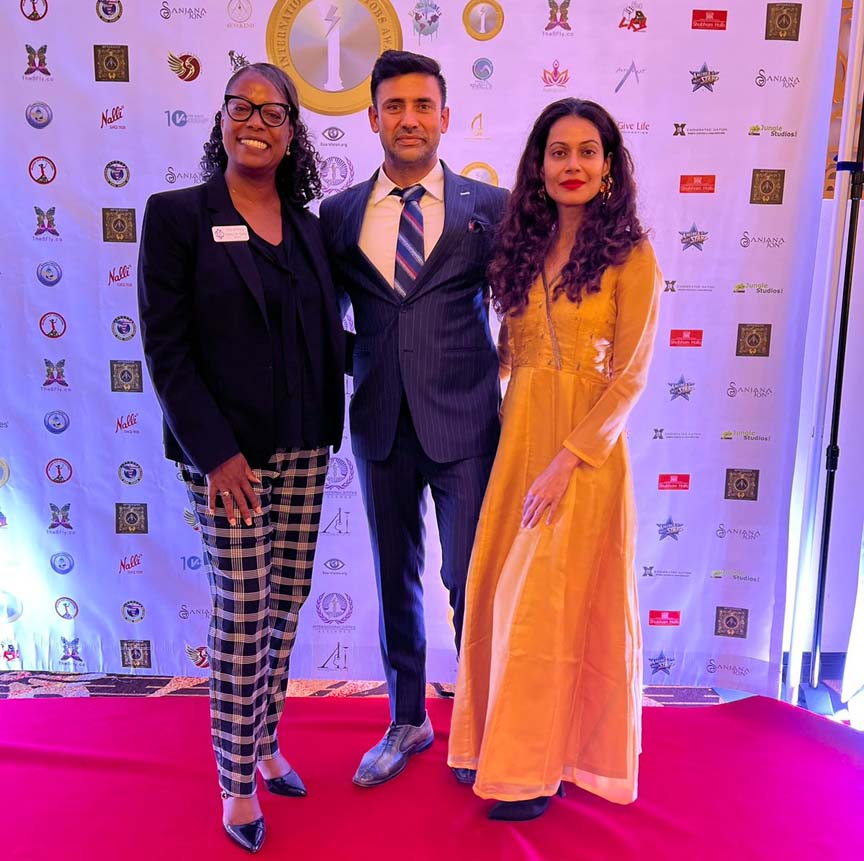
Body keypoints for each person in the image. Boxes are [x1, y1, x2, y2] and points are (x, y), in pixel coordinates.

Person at [137, 62, 345, 853]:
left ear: (293, 133)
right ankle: (235, 785)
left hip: (306, 445)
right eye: (242, 106)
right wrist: (216, 453)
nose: (256, 121)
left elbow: (321, 334)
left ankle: (265, 741)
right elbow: (167, 349)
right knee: (244, 608)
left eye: (273, 111)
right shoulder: (178, 216)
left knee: (285, 602)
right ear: (221, 119)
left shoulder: (310, 229)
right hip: (230, 460)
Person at [448, 98, 662, 821]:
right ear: (538, 166)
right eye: (559, 151)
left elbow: (630, 378)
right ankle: (497, 747)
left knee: (552, 610)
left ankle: (535, 770)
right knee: (501, 597)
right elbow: (510, 357)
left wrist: (567, 461)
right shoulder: (522, 249)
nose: (573, 164)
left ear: (609, 166)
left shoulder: (632, 255)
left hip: (584, 460)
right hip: (518, 446)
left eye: (587, 151)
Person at [319, 50, 508, 787]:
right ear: (372, 117)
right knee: (394, 579)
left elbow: (528, 309)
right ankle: (408, 719)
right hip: (380, 423)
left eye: (422, 105)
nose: (409, 119)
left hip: (467, 426)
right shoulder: (338, 215)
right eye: (394, 106)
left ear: (445, 117)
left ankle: (485, 723)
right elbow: (321, 321)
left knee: (471, 578)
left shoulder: (490, 207)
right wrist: (371, 360)